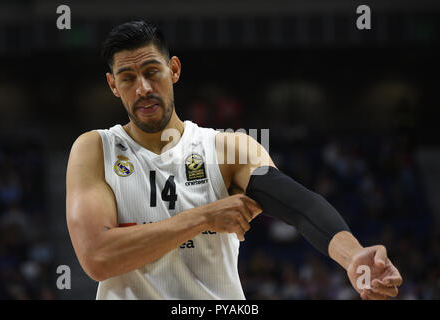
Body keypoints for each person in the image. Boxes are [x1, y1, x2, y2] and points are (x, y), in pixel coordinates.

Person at [65, 20, 403, 300]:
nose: (142, 88)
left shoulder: (227, 149)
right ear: (112, 85)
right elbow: (98, 257)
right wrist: (204, 216)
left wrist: (354, 257)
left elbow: (300, 207)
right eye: (127, 78)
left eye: (152, 72)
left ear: (174, 70)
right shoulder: (96, 148)